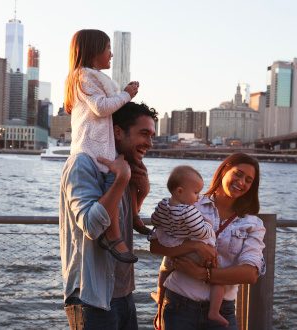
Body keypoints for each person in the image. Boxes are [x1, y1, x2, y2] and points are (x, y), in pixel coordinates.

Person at [59, 102, 157, 329]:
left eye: (152, 136)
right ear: (118, 131)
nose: (149, 143)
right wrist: (121, 180)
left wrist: (141, 193)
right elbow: (91, 225)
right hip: (91, 298)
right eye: (144, 134)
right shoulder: (83, 163)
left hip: (123, 294)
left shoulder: (122, 166)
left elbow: (120, 220)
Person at [150, 153, 266, 330]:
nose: (242, 182)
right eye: (238, 173)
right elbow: (156, 246)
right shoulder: (190, 203)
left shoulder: (252, 224)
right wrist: (196, 246)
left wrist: (203, 274)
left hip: (222, 311)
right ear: (225, 169)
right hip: (178, 305)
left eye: (249, 180)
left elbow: (250, 273)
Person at [64, 29, 148, 264]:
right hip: (93, 148)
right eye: (108, 49)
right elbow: (101, 108)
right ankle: (113, 237)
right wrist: (126, 94)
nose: (111, 54)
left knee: (131, 178)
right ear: (93, 51)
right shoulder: (83, 76)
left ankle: (133, 216)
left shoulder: (92, 77)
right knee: (115, 183)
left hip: (104, 147)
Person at [149, 165, 229, 327]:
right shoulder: (189, 211)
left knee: (164, 271)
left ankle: (160, 299)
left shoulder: (163, 204)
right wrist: (207, 225)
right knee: (219, 279)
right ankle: (214, 311)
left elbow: (154, 219)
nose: (198, 197)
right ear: (179, 191)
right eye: (195, 193)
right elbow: (201, 233)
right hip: (195, 254)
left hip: (174, 250)